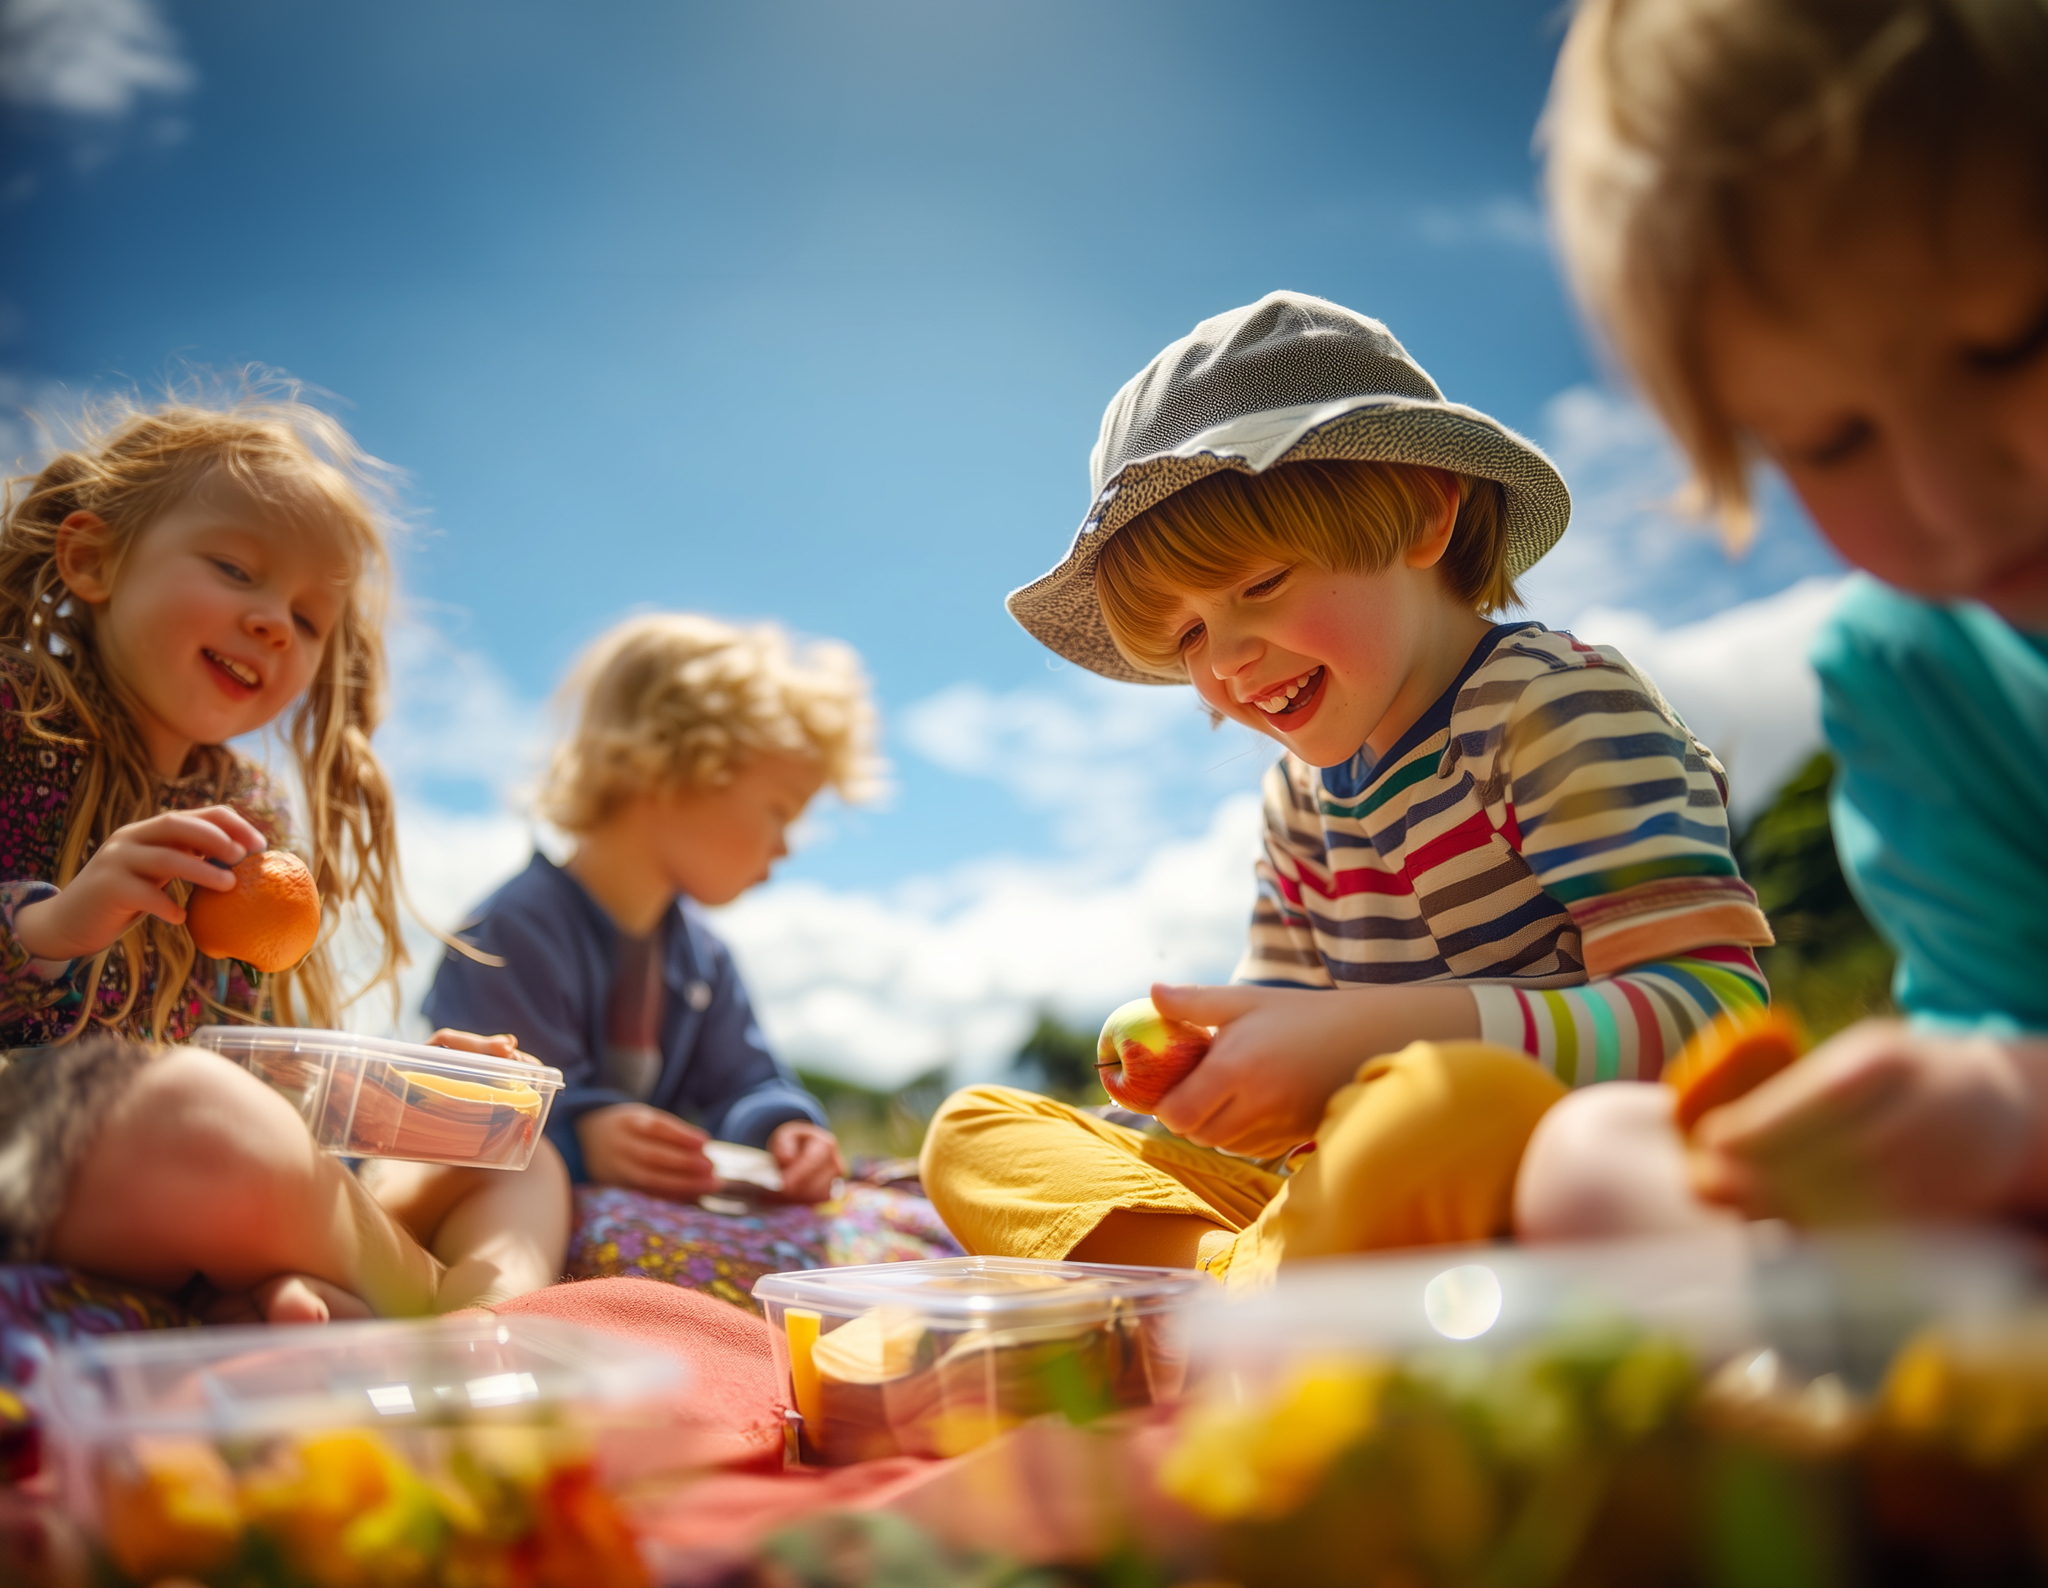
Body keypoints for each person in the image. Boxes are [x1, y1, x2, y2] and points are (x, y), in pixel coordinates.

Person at [920, 292, 1775, 1282]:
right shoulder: (1299, 800)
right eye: (1188, 633)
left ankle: (1218, 1298)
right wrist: (1216, 1077)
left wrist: (1374, 1037)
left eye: (1257, 586)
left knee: (1440, 1101)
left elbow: (1711, 1017)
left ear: (1421, 512)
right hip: (1344, 1195)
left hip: (1536, 1177)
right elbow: (1286, 1036)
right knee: (974, 1133)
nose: (1227, 659)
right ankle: (1228, 1291)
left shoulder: (1549, 707)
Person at [1517, 0, 2048, 1237]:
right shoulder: (1915, 670)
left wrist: (2015, 1115)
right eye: (1828, 440)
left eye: (2013, 343)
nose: (1949, 497)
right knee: (1585, 1153)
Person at [0, 396, 569, 1322]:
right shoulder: (12, 717)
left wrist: (386, 1096)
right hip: (61, 1146)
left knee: (510, 1149)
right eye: (234, 570)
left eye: (308, 620)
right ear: (91, 559)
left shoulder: (249, 814)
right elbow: (204, 1100)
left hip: (212, 1168)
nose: (274, 623)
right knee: (186, 1112)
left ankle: (393, 1301)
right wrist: (54, 925)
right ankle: (447, 1321)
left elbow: (244, 1067)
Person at [424, 614, 876, 1207]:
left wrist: (782, 1131)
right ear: (678, 765)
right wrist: (581, 1133)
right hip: (521, 1215)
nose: (786, 845)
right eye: (780, 811)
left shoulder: (703, 961)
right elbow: (479, 1107)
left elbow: (745, 1081)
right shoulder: (512, 930)